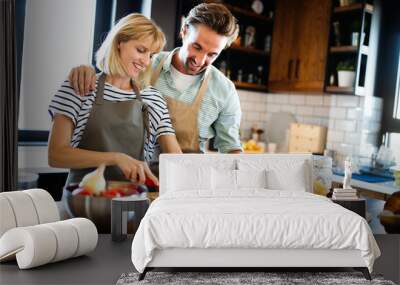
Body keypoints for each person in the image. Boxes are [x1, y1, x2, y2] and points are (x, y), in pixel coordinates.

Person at [69, 3, 242, 155]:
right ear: (184, 30)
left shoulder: (224, 90)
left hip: (185, 181)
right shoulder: (144, 64)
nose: (200, 60)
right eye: (196, 47)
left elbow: (231, 148)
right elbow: (110, 78)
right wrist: (88, 71)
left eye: (212, 54)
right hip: (132, 175)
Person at [48, 13, 181, 186]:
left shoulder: (154, 99)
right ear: (119, 42)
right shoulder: (80, 86)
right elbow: (56, 155)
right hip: (83, 200)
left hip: (134, 200)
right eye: (141, 50)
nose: (146, 62)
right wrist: (116, 158)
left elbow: (176, 159)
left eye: (152, 55)